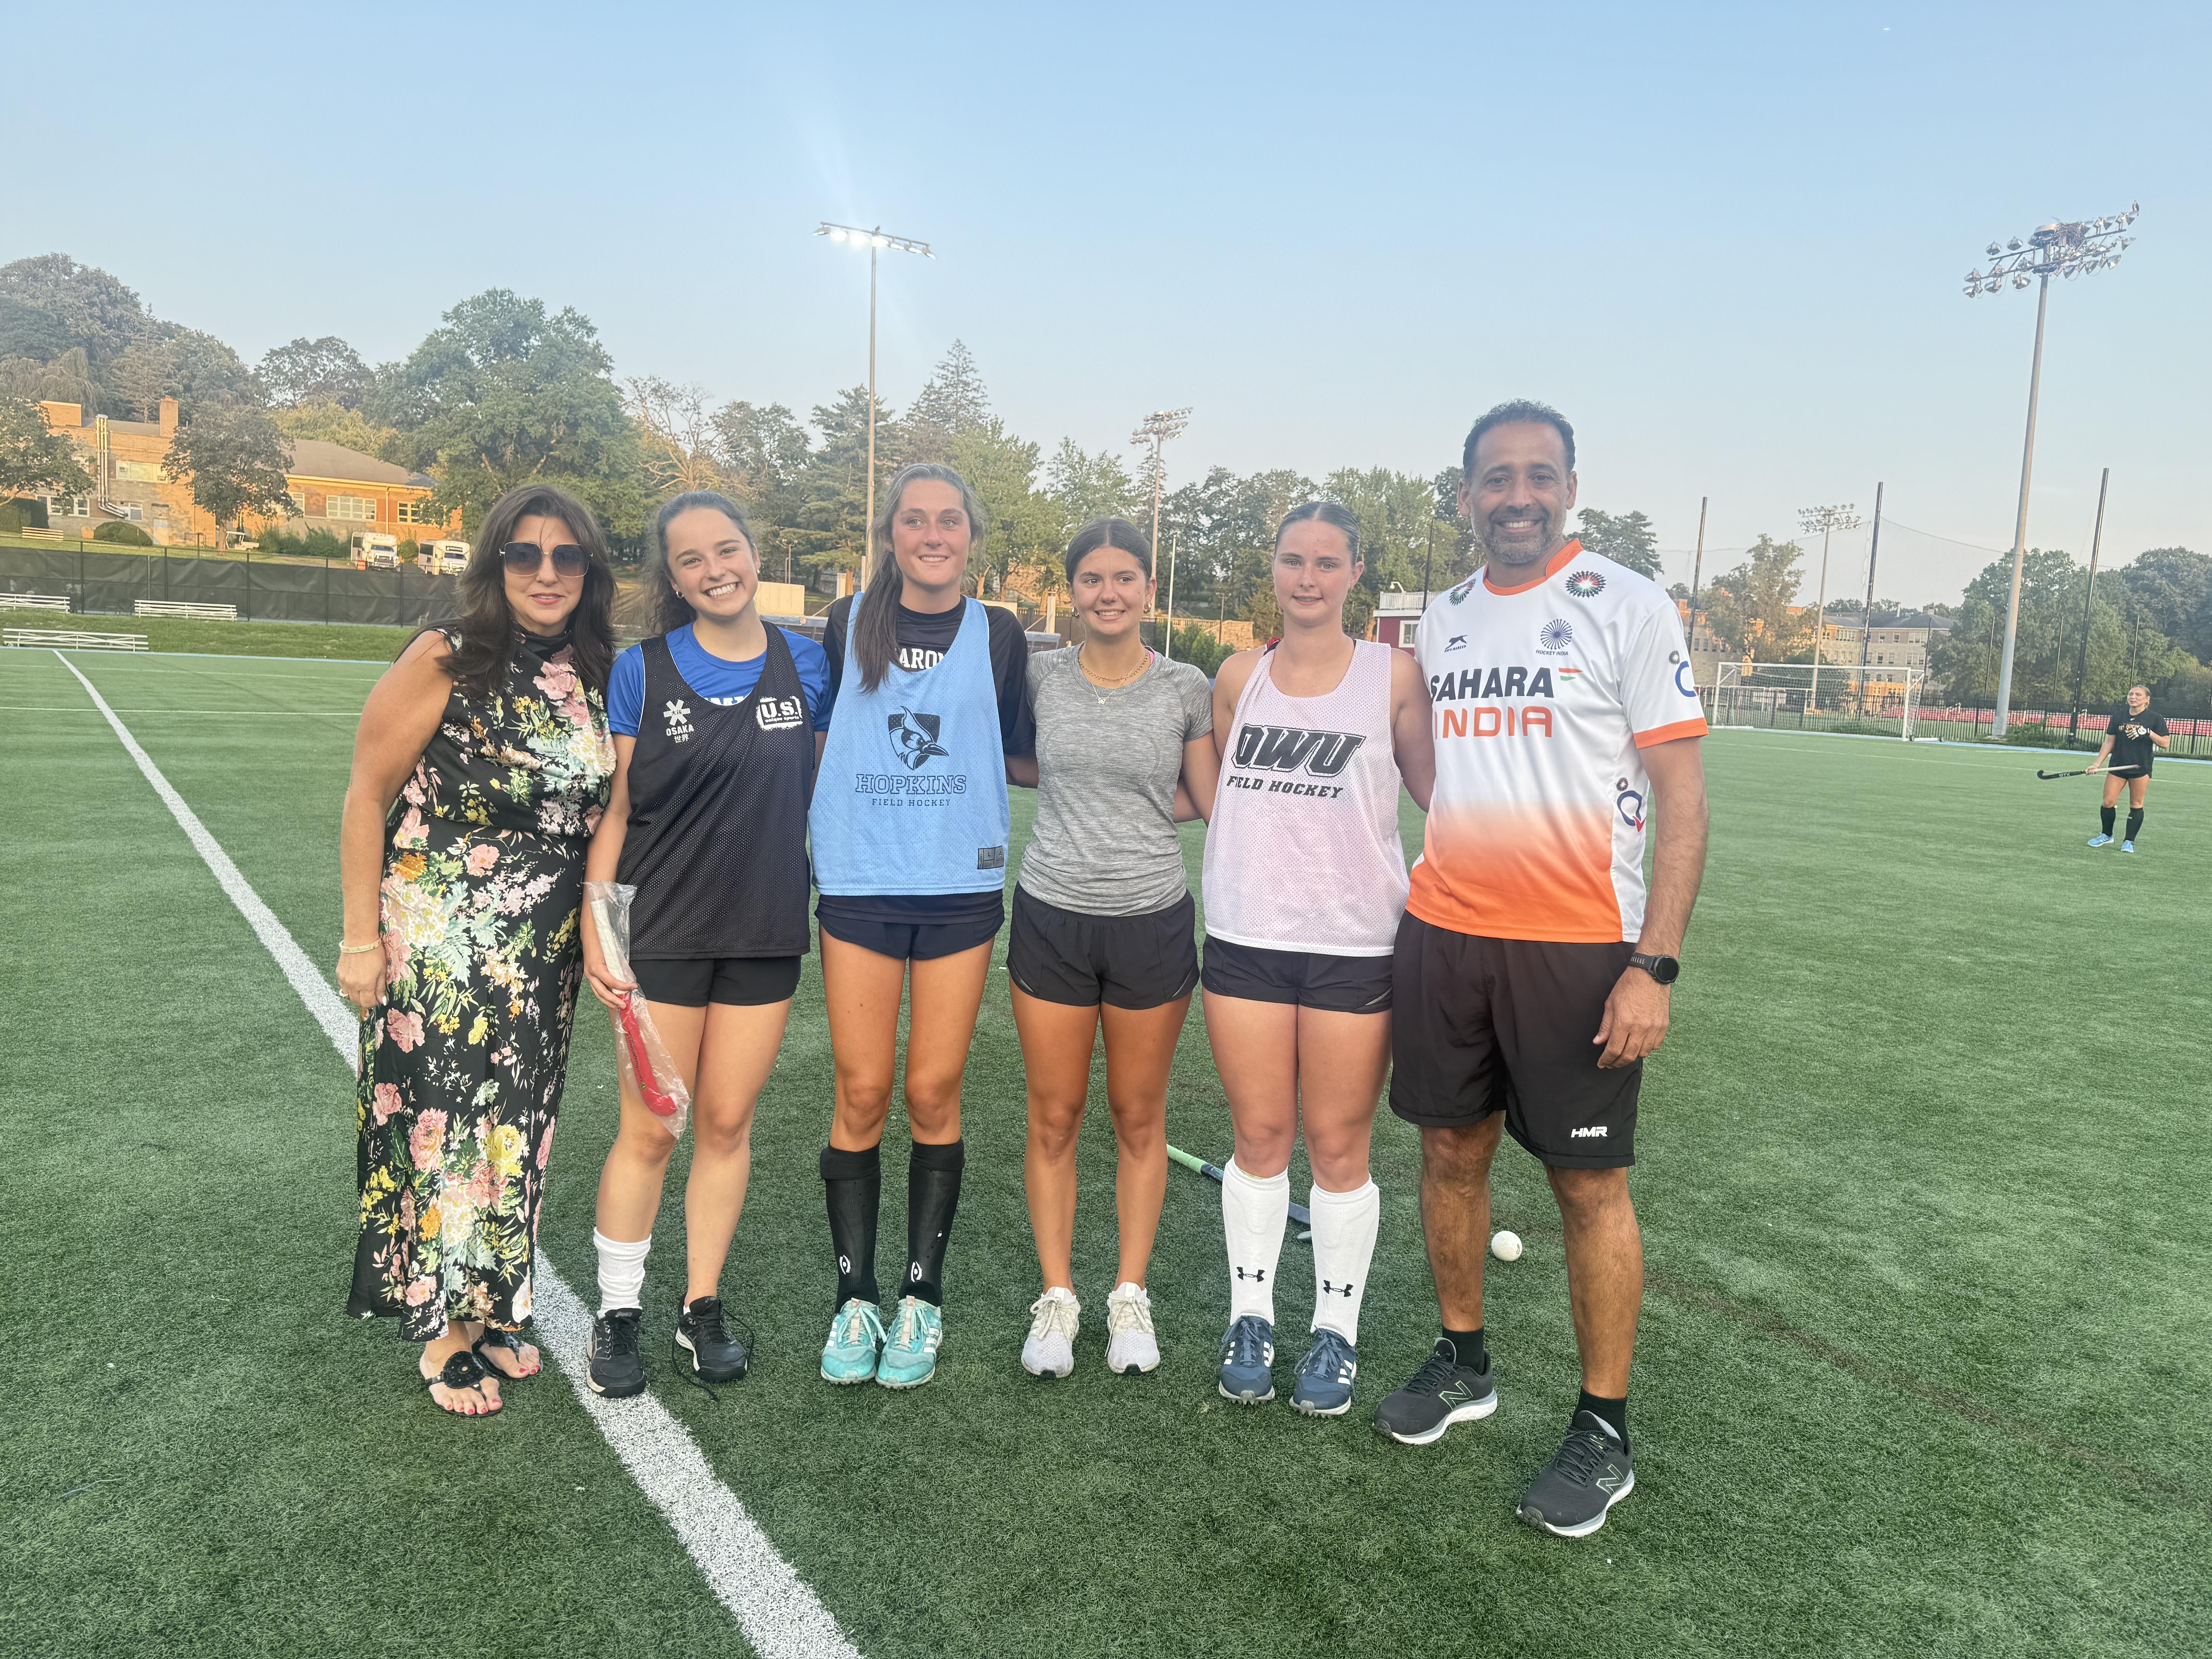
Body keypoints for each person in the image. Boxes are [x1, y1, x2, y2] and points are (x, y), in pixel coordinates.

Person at [1371, 401, 1709, 1539]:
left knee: (1587, 1187)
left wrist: (1652, 964)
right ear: (1466, 493)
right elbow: (1436, 774)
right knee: (1448, 1153)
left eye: (1538, 475)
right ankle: (1462, 1361)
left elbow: (1683, 799)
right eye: (1495, 478)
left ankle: (1603, 1429)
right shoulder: (1444, 619)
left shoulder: (1629, 604)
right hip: (1445, 934)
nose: (1516, 495)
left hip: (1577, 948)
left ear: (1569, 487)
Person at [339, 484, 618, 1416]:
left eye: (567, 556)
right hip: (440, 941)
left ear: (590, 571)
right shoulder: (447, 656)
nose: (547, 573)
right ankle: (443, 1333)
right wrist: (359, 939)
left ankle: (491, 1307)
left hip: (543, 953)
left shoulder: (597, 671)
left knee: (518, 1129)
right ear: (495, 564)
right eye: (525, 554)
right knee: (447, 1127)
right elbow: (366, 792)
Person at [579, 492, 833, 1398]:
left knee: (727, 1125)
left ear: (754, 554)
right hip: (664, 935)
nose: (715, 569)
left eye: (728, 549)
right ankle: (618, 1313)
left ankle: (702, 1304)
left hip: (765, 932)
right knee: (653, 1128)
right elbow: (617, 814)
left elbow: (822, 792)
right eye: (692, 559)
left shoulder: (808, 664)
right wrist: (602, 932)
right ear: (675, 579)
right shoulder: (643, 670)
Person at [1201, 502, 1434, 1416]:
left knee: (1339, 1146)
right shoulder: (1238, 677)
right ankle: (1250, 1317)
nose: (1308, 578)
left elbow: (1439, 795)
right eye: (1294, 560)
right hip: (1247, 937)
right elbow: (1229, 797)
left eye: (1327, 562)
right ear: (1274, 567)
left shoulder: (1393, 675)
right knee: (1259, 1138)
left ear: (1354, 573)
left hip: (1355, 943)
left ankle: (1336, 1331)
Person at [809, 463, 1034, 1389]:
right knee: (863, 1091)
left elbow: (1020, 752)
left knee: (934, 1090)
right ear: (890, 535)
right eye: (914, 520)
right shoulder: (844, 621)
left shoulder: (1002, 633)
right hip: (862, 880)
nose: (932, 535)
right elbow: (815, 742)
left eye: (949, 521)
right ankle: (854, 1295)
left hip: (959, 886)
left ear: (971, 536)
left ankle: (921, 1296)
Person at [1006, 517, 1219, 1379]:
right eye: (1091, 578)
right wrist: (1077, 790)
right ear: (1071, 591)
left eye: (1124, 577)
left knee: (1138, 1116)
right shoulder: (1038, 675)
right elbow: (1017, 761)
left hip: (1150, 919)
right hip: (1052, 915)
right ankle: (1057, 1298)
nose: (1108, 593)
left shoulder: (1185, 685)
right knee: (1054, 1116)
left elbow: (1205, 795)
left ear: (1147, 588)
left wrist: (1133, 807)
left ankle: (1130, 1294)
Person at [2087, 684, 2168, 851]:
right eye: (2131, 694)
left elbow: (2165, 743)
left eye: (2138, 695)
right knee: (2108, 802)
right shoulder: (2119, 716)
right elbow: (2110, 742)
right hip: (2118, 766)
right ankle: (2107, 835)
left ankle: (2129, 841)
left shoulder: (2155, 718)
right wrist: (2096, 764)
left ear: (2147, 699)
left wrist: (2149, 733)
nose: (2133, 697)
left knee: (2136, 804)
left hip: (2140, 767)